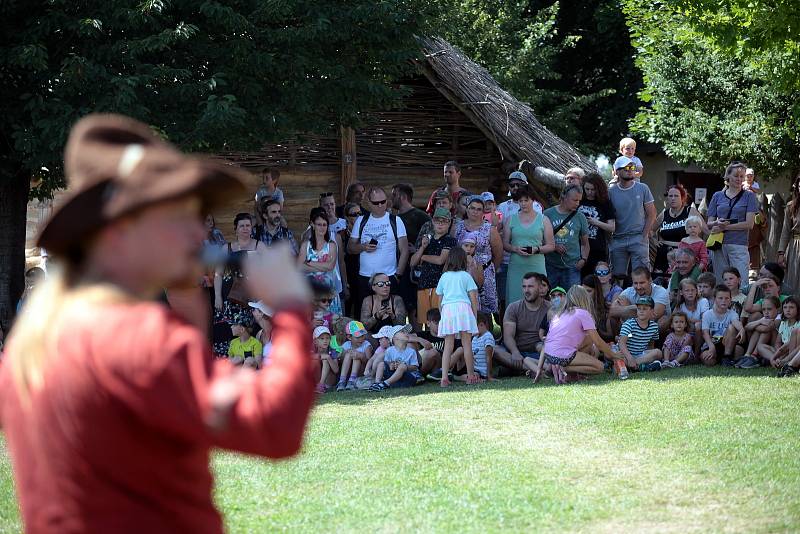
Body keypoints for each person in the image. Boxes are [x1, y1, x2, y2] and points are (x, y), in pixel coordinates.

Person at [0, 114, 315, 532]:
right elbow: (275, 425)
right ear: (117, 233)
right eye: (175, 215)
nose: (194, 234)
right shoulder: (137, 336)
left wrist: (186, 298)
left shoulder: (30, 346)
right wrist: (291, 307)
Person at [531, 286, 621, 384]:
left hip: (549, 354)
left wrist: (539, 368)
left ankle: (571, 374)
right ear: (584, 298)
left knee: (588, 339)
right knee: (599, 367)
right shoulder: (583, 313)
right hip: (562, 356)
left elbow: (547, 342)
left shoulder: (560, 313)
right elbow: (598, 342)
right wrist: (614, 355)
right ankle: (563, 368)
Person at [348, 187, 409, 320]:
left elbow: (404, 250)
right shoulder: (361, 221)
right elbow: (350, 248)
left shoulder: (395, 220)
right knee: (364, 318)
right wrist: (363, 247)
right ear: (368, 203)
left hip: (388, 277)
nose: (381, 205)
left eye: (383, 201)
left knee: (390, 318)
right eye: (376, 203)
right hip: (365, 277)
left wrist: (398, 275)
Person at [213, 213, 263, 355]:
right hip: (229, 299)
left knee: (247, 332)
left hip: (250, 299)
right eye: (242, 226)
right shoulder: (226, 248)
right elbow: (218, 274)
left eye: (248, 225)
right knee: (226, 332)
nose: (245, 228)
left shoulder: (259, 246)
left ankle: (248, 364)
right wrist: (217, 296)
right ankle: (225, 364)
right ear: (235, 229)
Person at [496, 170, 543, 310]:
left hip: (532, 259)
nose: (515, 188)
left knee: (532, 297)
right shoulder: (503, 207)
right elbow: (499, 232)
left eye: (519, 184)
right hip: (507, 260)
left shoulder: (536, 206)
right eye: (512, 185)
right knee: (507, 299)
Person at [707, 162, 758, 288]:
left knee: (741, 283)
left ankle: (740, 307)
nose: (739, 179)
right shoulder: (717, 196)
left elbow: (749, 224)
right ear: (728, 176)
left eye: (742, 176)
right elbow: (709, 223)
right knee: (721, 282)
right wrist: (716, 223)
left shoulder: (749, 196)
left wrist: (726, 227)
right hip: (718, 244)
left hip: (739, 244)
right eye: (736, 176)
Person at [435, 247, 481, 386]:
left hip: (448, 309)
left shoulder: (444, 276)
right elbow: (473, 298)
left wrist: (443, 315)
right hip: (463, 308)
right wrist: (474, 315)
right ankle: (471, 376)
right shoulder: (466, 276)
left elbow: (439, 300)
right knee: (467, 344)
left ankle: (444, 378)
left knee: (448, 345)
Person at [503, 183, 555, 305]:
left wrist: (536, 249)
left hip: (536, 265)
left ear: (533, 200)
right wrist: (515, 249)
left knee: (538, 300)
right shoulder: (511, 219)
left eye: (526, 200)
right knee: (515, 300)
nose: (523, 203)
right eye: (520, 201)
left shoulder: (543, 220)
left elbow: (551, 245)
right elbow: (504, 244)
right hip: (516, 266)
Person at [453, 195, 503, 314]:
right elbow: (454, 250)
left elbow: (498, 253)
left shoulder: (489, 229)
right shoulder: (457, 227)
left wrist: (489, 268)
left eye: (479, 209)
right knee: (464, 307)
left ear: (483, 211)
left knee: (485, 311)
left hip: (485, 274)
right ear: (467, 209)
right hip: (462, 273)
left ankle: (488, 332)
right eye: (472, 208)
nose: (475, 212)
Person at [608, 156, 656, 276]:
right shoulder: (611, 192)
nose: (630, 170)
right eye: (626, 168)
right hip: (618, 239)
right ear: (617, 171)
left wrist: (643, 235)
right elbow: (608, 217)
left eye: (632, 167)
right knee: (617, 276)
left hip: (638, 237)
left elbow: (652, 213)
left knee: (642, 276)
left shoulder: (643, 188)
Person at [495, 272, 550, 373]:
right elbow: (508, 336)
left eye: (530, 287)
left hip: (539, 353)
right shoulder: (513, 307)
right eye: (524, 287)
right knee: (495, 350)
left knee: (552, 354)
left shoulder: (550, 309)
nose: (526, 290)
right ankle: (533, 368)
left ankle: (517, 368)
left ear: (540, 288)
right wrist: (515, 352)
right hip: (516, 352)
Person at [392, 183, 431, 326]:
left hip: (414, 270)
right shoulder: (392, 218)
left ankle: (420, 340)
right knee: (400, 305)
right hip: (396, 268)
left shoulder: (420, 216)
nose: (392, 199)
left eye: (394, 195)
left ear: (402, 197)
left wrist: (418, 249)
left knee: (415, 308)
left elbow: (432, 238)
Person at [410, 208, 456, 327]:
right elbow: (412, 262)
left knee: (438, 319)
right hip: (423, 283)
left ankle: (440, 344)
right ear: (432, 222)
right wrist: (422, 247)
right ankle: (423, 343)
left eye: (444, 221)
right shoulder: (426, 240)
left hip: (440, 286)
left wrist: (424, 257)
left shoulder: (449, 240)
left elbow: (441, 260)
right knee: (423, 319)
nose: (440, 223)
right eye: (437, 220)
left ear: (449, 223)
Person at [544, 184, 589, 290]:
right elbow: (540, 240)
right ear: (564, 196)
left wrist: (583, 259)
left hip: (572, 267)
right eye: (574, 200)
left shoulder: (580, 217)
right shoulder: (547, 214)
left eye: (579, 200)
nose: (577, 204)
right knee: (550, 298)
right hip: (550, 265)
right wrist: (554, 246)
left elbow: (585, 243)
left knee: (572, 300)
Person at [298, 207, 342, 314]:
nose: (322, 227)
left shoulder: (331, 245)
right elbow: (299, 267)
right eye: (319, 224)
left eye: (324, 225)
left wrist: (310, 262)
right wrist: (323, 265)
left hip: (328, 290)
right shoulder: (306, 245)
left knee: (332, 322)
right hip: (310, 291)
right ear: (312, 225)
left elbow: (330, 266)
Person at [653, 184, 700, 275]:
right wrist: (655, 240)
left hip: (683, 254)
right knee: (661, 280)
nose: (673, 198)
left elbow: (704, 228)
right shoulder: (664, 213)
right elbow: (651, 230)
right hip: (664, 254)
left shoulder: (689, 211)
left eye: (676, 196)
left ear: (682, 198)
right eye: (670, 196)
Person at [610, 267, 671, 333]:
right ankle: (619, 339)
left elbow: (653, 316)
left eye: (642, 283)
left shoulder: (661, 292)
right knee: (613, 318)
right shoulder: (628, 291)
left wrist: (627, 307)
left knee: (664, 320)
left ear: (650, 280)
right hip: (634, 327)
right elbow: (612, 311)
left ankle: (653, 343)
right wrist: (630, 309)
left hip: (653, 329)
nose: (638, 287)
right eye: (635, 283)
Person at [578, 172, 616, 277]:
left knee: (596, 280)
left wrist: (595, 222)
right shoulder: (578, 200)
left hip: (597, 248)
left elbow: (612, 227)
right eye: (587, 189)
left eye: (593, 189)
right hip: (578, 248)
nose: (590, 192)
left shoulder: (604, 203)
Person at [700, 285, 746, 367]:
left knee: (732, 329)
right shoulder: (707, 314)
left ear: (730, 300)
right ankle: (721, 359)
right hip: (712, 343)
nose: (724, 301)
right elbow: (705, 333)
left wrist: (741, 329)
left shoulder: (732, 313)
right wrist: (711, 347)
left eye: (727, 298)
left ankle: (727, 357)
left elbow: (735, 322)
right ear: (714, 299)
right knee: (708, 361)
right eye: (720, 298)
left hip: (727, 344)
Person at [619, 296, 664, 372]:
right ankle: (641, 366)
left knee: (658, 353)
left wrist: (648, 357)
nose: (641, 311)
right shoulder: (629, 324)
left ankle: (634, 366)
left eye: (645, 309)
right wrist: (629, 358)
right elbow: (621, 343)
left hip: (640, 355)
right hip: (626, 354)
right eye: (639, 308)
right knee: (618, 356)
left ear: (652, 311)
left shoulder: (654, 326)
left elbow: (651, 345)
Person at [448, 312, 496, 381]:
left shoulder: (488, 337)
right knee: (461, 349)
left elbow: (488, 358)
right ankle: (444, 370)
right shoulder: (475, 338)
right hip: (472, 367)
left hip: (480, 372)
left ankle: (454, 377)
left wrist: (489, 376)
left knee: (473, 376)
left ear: (481, 325)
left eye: (473, 327)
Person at [778, 174, 800, 293]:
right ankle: (793, 308)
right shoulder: (791, 206)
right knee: (794, 279)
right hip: (795, 246)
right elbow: (785, 231)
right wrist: (781, 253)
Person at [743, 295, 780, 366]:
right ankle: (747, 354)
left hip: (774, 347)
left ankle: (754, 355)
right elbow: (746, 327)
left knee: (765, 330)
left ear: (777, 309)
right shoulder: (764, 319)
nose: (766, 312)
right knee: (758, 330)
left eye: (769, 309)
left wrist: (755, 326)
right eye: (763, 309)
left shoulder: (779, 318)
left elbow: (765, 329)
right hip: (764, 346)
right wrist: (759, 322)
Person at [336, 320, 373, 391]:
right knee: (348, 355)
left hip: (361, 372)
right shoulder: (346, 345)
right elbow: (340, 361)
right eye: (357, 337)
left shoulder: (366, 345)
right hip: (347, 372)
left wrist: (361, 356)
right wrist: (344, 353)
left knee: (357, 356)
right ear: (349, 337)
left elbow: (369, 362)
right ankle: (342, 381)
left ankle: (352, 381)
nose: (361, 339)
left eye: (362, 336)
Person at [313, 326, 340, 393]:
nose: (325, 341)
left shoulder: (332, 351)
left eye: (327, 338)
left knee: (325, 360)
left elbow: (336, 370)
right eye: (322, 339)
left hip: (329, 381)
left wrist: (328, 357)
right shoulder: (313, 350)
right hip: (316, 379)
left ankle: (321, 385)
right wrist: (320, 356)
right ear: (315, 341)